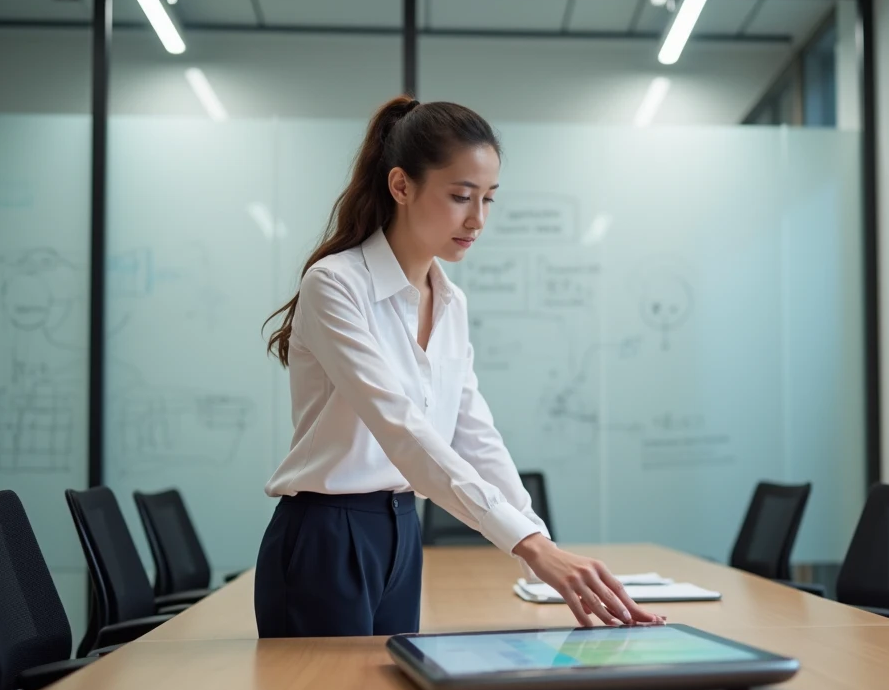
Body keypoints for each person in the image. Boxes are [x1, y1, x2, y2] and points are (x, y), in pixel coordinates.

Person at [255, 95, 664, 637]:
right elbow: (403, 430)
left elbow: (474, 434)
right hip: (328, 537)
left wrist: (543, 550)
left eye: (489, 199)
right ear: (401, 186)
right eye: (460, 196)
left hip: (403, 528)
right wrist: (528, 545)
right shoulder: (335, 285)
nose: (477, 219)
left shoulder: (450, 301)